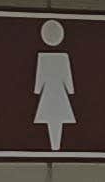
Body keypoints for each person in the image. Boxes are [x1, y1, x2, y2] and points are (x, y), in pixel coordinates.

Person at [31, 19, 78, 152]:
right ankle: (55, 146)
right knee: (55, 118)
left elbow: (39, 80)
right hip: (58, 93)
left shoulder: (46, 57)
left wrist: (38, 90)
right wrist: (70, 90)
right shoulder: (61, 57)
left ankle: (55, 147)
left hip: (49, 92)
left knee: (54, 118)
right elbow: (68, 80)